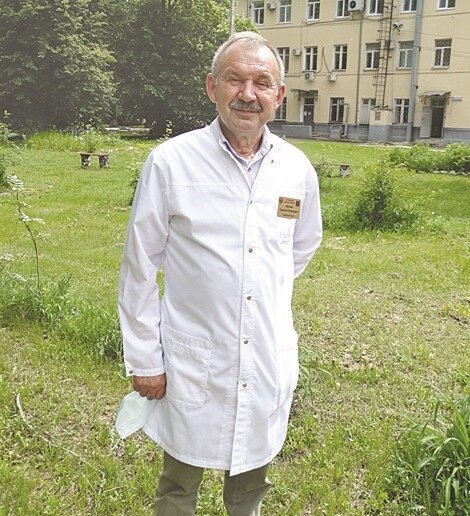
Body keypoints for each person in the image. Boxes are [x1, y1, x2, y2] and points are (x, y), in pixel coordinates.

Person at [118, 31, 322, 515]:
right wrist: (145, 359)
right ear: (212, 87)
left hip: (265, 355)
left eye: (261, 82)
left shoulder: (296, 169)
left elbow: (301, 246)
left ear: (279, 94)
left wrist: (252, 282)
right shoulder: (171, 163)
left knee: (251, 485)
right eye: (235, 80)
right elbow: (139, 266)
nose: (248, 94)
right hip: (193, 358)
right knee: (178, 484)